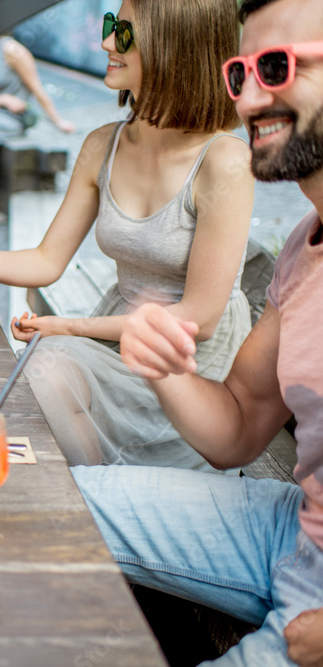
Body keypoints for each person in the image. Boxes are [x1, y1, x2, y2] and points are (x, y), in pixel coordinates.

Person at [76, 0, 323, 661]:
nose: (251, 95)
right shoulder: (306, 247)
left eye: (277, 66)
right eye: (239, 73)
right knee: (43, 501)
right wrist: (168, 367)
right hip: (290, 525)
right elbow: (240, 425)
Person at [0, 0, 255, 470]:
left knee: (44, 369)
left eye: (124, 34)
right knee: (38, 378)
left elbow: (198, 320)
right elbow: (48, 260)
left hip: (190, 365)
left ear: (175, 48)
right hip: (114, 342)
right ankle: (85, 514)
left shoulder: (224, 163)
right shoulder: (102, 144)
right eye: (112, 26)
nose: (106, 42)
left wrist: (69, 327)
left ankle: (88, 515)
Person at [0, 37, 76, 195]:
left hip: (12, 117)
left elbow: (37, 89)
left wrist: (58, 121)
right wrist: (3, 99)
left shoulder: (12, 51)